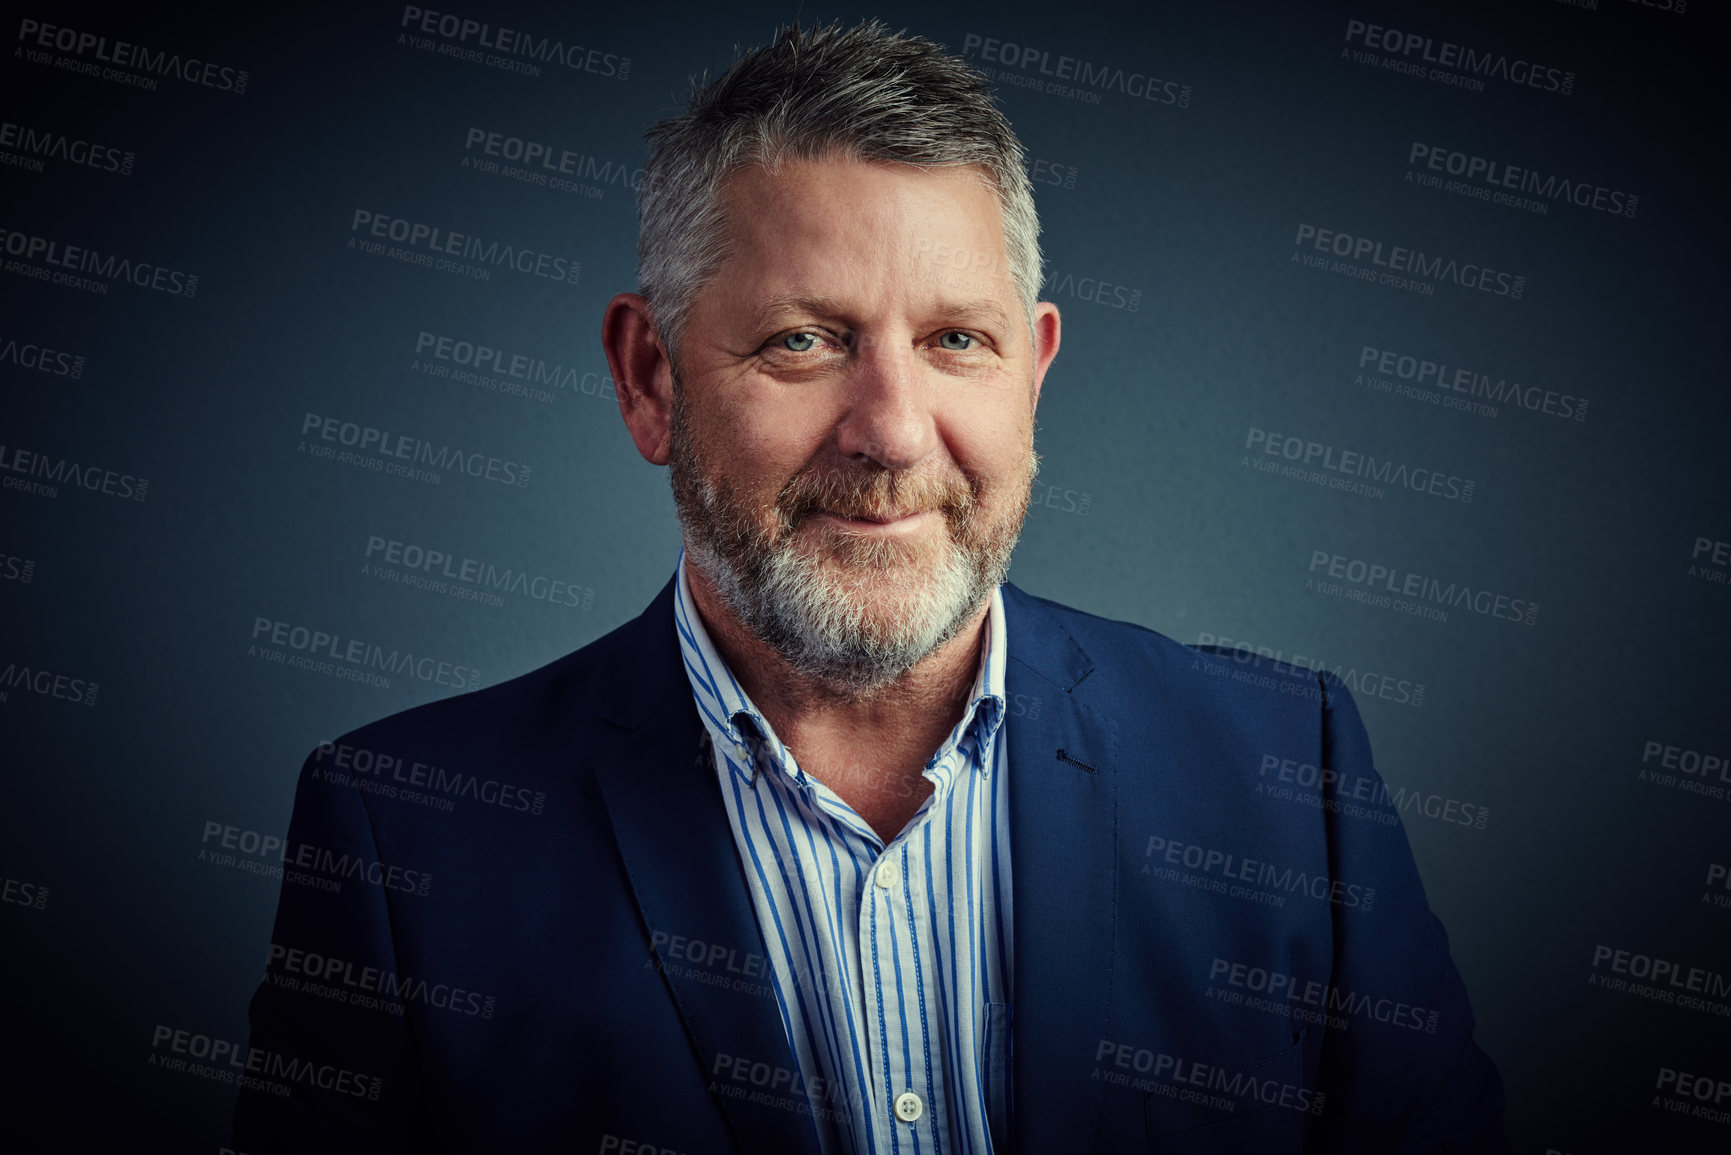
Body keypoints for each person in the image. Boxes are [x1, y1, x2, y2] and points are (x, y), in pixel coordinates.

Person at [234, 20, 1507, 1154]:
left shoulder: (1293, 781)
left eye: (957, 340)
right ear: (650, 380)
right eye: (805, 341)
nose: (892, 433)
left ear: (1034, 372)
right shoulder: (406, 838)